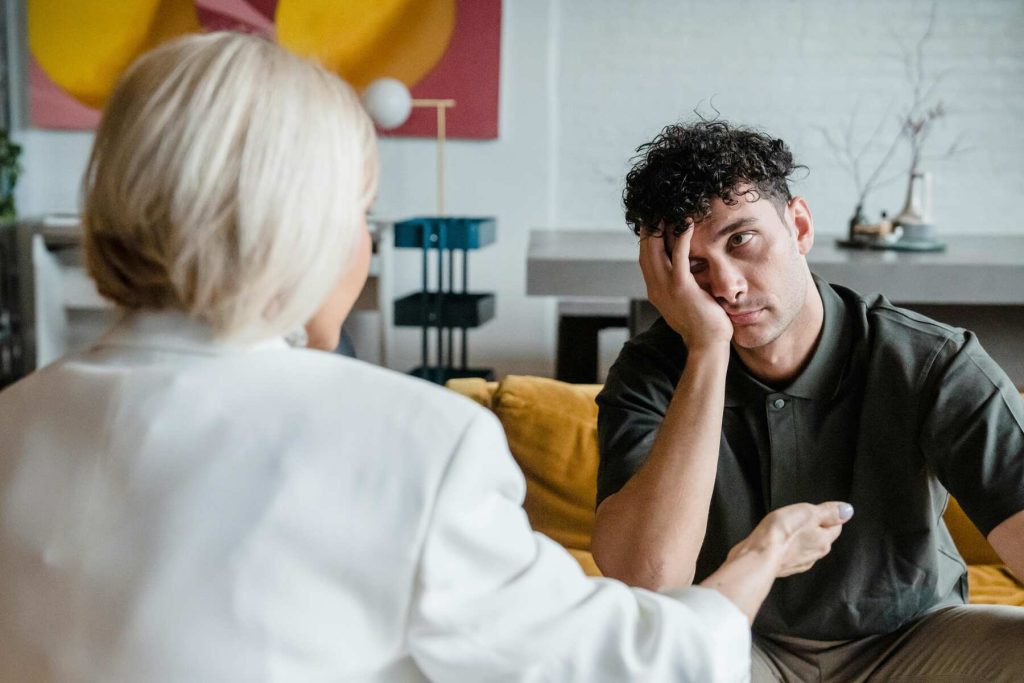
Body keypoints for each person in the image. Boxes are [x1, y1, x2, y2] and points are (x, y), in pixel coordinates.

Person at [0, 34, 851, 682]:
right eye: (361, 215)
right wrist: (761, 556)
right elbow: (636, 663)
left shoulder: (17, 419)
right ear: (300, 229)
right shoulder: (412, 441)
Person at [592, 119, 1024, 681]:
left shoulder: (930, 360)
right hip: (740, 644)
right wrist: (706, 349)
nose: (726, 286)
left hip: (915, 639)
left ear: (798, 226)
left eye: (740, 240)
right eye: (693, 265)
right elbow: (647, 580)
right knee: (627, 664)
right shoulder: (652, 372)